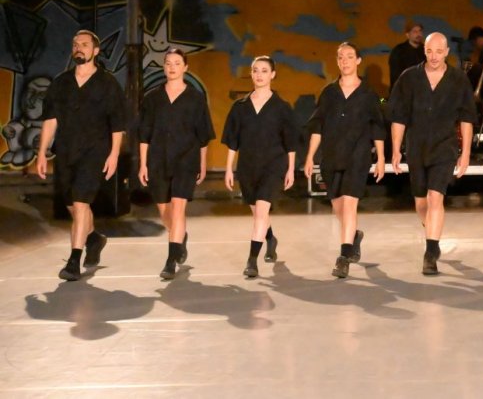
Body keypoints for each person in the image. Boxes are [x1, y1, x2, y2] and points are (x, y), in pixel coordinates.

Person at [35, 30, 125, 282]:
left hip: (95, 151)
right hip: (65, 151)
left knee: (81, 202)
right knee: (73, 206)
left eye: (84, 44)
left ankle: (74, 260)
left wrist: (114, 154)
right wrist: (41, 153)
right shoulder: (61, 83)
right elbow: (50, 120)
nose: (79, 47)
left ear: (95, 51)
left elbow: (118, 123)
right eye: (75, 44)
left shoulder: (107, 83)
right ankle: (93, 238)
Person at [384, 32, 476, 275]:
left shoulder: (458, 79)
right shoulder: (409, 78)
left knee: (436, 197)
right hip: (416, 146)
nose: (434, 56)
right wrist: (396, 149)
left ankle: (430, 252)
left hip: (445, 146)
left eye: (439, 51)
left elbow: (467, 118)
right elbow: (399, 117)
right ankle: (432, 233)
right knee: (421, 202)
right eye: (429, 51)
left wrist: (466, 152)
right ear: (424, 51)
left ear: (447, 52)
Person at [305, 42, 387, 279]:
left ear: (358, 60)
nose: (345, 61)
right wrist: (310, 156)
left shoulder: (368, 94)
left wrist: (381, 158)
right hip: (331, 156)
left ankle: (343, 258)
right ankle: (354, 236)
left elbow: (377, 127)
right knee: (338, 207)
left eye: (350, 56)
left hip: (357, 156)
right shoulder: (329, 93)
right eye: (341, 57)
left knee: (350, 204)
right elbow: (318, 126)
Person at [139, 48, 215, 281]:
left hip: (186, 159)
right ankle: (180, 237)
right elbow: (144, 134)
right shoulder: (152, 98)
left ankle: (171, 260)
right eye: (168, 63)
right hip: (158, 159)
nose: (172, 67)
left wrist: (202, 163)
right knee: (165, 211)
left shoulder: (195, 98)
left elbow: (203, 135)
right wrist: (143, 164)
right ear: (164, 67)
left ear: (185, 67)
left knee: (178, 206)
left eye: (177, 63)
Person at [222, 56, 299, 279]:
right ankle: (270, 238)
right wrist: (229, 168)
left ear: (272, 74)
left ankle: (252, 260)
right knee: (258, 212)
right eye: (255, 70)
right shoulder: (240, 107)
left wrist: (290, 169)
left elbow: (291, 141)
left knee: (262, 212)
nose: (259, 75)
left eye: (264, 70)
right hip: (248, 166)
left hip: (273, 165)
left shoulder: (282, 107)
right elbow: (233, 141)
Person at [388, 21, 425, 90]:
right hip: (404, 91)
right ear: (407, 35)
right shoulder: (399, 51)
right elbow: (395, 76)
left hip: (423, 91)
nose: (418, 34)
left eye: (420, 31)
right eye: (415, 31)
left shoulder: (426, 51)